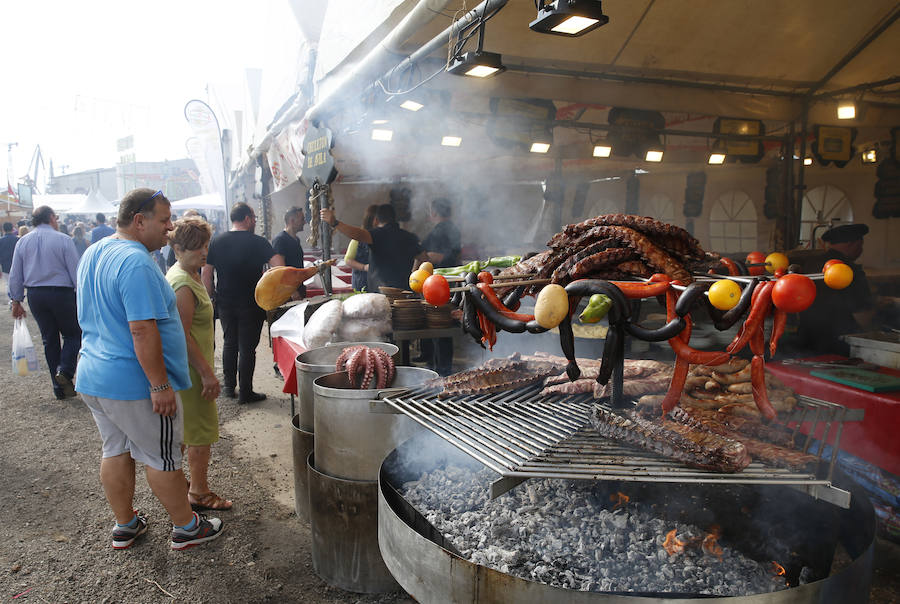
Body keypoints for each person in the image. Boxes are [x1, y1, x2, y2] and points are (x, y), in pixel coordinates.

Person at [76, 187, 224, 551]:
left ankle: (126, 525)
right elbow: (141, 328)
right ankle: (187, 528)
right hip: (132, 382)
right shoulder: (136, 262)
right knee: (162, 456)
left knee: (116, 449)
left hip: (94, 373)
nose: (170, 229)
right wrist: (159, 385)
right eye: (164, 220)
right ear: (139, 221)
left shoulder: (94, 251)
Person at [166, 216, 231, 511]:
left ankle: (182, 487)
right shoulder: (181, 282)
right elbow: (181, 334)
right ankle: (199, 492)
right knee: (199, 431)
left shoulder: (190, 274)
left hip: (190, 368)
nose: (203, 252)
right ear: (178, 248)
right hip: (191, 371)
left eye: (205, 245)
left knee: (187, 430)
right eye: (195, 247)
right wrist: (207, 373)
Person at [202, 202, 283, 403]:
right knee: (247, 348)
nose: (255, 221)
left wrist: (211, 296)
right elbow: (279, 267)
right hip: (252, 302)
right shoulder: (259, 242)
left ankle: (229, 388)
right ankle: (246, 392)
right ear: (246, 218)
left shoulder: (217, 241)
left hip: (225, 301)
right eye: (254, 218)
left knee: (229, 343)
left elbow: (206, 272)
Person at [8, 206, 81, 400]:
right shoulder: (64, 240)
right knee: (73, 334)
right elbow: (76, 272)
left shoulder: (23, 242)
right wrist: (82, 295)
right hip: (62, 293)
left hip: (36, 294)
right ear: (50, 218)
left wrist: (16, 300)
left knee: (49, 339)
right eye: (56, 217)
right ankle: (65, 371)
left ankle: (58, 388)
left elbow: (15, 274)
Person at [796, 223, 875, 356]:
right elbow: (863, 314)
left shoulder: (810, 264)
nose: (860, 250)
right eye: (860, 245)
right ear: (852, 243)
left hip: (806, 339)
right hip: (838, 346)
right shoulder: (850, 270)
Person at [320, 203, 426, 292]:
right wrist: (414, 273)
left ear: (376, 220)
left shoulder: (377, 235)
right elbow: (423, 257)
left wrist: (335, 223)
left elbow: (357, 234)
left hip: (381, 293)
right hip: (405, 292)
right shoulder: (409, 236)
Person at [419, 198, 461, 375]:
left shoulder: (439, 231)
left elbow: (438, 257)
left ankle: (441, 370)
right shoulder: (453, 228)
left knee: (438, 326)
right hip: (447, 283)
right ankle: (440, 365)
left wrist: (420, 256)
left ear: (434, 213)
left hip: (437, 286)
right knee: (442, 325)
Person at [271, 206, 307, 299]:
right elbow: (279, 269)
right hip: (288, 294)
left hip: (298, 288)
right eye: (302, 219)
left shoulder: (296, 240)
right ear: (292, 221)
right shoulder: (280, 240)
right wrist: (292, 292)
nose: (304, 222)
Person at [344, 204, 377, 292]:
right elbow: (348, 260)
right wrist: (364, 267)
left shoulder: (382, 238)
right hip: (362, 281)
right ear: (374, 220)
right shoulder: (358, 238)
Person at [0, 222, 18, 293]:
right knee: (17, 284)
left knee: (8, 283)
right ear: (12, 229)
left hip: (5, 266)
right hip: (17, 265)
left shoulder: (1, 241)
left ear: (3, 229)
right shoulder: (18, 240)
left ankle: (12, 299)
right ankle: (16, 299)